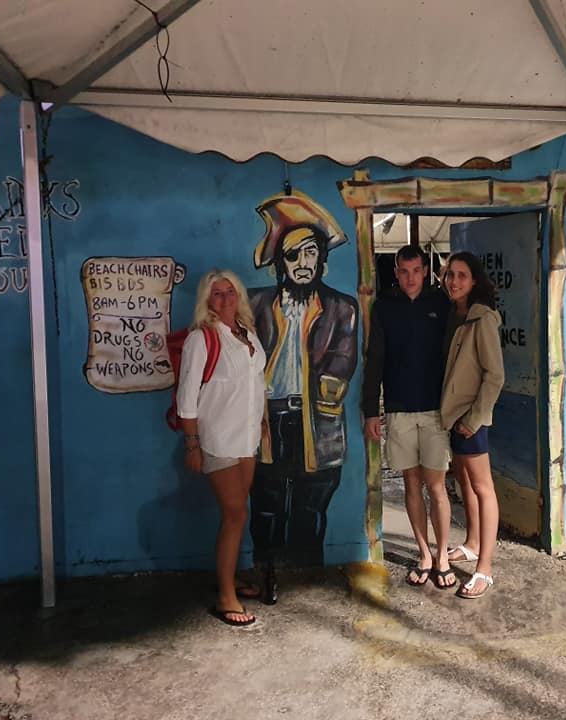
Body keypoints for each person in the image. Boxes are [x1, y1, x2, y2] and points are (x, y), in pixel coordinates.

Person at [249, 191, 358, 569]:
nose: (302, 263)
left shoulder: (342, 308)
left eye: (310, 252)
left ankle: (307, 578)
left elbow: (342, 362)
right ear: (280, 263)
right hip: (266, 421)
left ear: (322, 259)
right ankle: (267, 574)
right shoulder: (255, 304)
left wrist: (321, 392)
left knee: (311, 508)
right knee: (266, 506)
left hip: (316, 424)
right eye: (292, 255)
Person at [177, 269, 267, 626]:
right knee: (235, 514)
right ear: (207, 300)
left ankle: (229, 577)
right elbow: (186, 398)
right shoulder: (201, 339)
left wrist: (263, 423)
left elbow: (256, 383)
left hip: (247, 438)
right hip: (218, 439)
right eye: (217, 293)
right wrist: (192, 445)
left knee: (237, 513)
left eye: (230, 291)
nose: (225, 298)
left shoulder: (247, 333)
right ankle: (226, 597)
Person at [362, 246, 455, 589]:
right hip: (398, 410)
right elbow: (375, 360)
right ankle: (424, 554)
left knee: (437, 486)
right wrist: (371, 411)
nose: (410, 278)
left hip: (435, 410)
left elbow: (455, 356)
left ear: (425, 271)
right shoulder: (384, 306)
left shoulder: (441, 303)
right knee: (411, 484)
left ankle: (443, 556)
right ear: (396, 272)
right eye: (404, 271)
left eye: (416, 271)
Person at [440, 251, 505, 599]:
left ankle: (485, 570)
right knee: (464, 482)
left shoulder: (483, 318)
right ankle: (473, 543)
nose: (454, 281)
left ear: (474, 280)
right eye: (451, 274)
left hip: (470, 418)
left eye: (462, 275)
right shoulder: (454, 314)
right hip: (453, 416)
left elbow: (495, 375)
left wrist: (475, 418)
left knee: (483, 488)